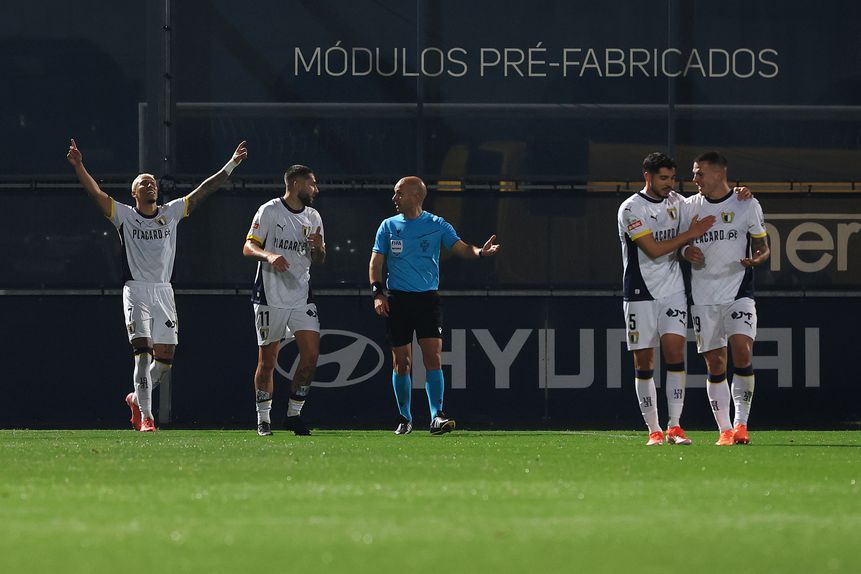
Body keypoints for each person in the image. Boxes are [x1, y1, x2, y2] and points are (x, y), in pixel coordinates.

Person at [67, 138, 248, 432]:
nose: (150, 185)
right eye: (144, 183)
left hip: (164, 291)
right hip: (136, 289)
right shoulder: (124, 215)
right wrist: (79, 165)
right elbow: (96, 193)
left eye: (152, 182)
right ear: (134, 192)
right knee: (143, 351)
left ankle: (137, 398)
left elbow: (203, 191)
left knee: (164, 361)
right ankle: (147, 418)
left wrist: (232, 163)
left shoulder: (170, 212)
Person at [369, 176, 500, 435]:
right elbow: (375, 263)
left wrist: (480, 253)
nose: (394, 198)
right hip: (397, 300)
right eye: (395, 194)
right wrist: (377, 293)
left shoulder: (437, 224)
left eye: (399, 194)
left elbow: (461, 248)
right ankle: (404, 418)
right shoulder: (387, 226)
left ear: (416, 196)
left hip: (427, 300)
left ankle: (436, 416)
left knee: (433, 357)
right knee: (402, 362)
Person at [618, 152, 718, 446]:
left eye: (673, 178)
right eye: (664, 178)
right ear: (647, 176)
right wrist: (691, 234)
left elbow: (682, 240)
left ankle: (675, 426)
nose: (669, 183)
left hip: (673, 289)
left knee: (676, 355)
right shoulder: (630, 209)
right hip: (640, 291)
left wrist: (688, 250)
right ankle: (654, 430)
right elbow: (653, 249)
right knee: (645, 363)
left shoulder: (677, 202)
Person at [680, 151, 769, 446]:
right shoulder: (688, 206)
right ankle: (725, 430)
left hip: (738, 292)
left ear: (719, 174)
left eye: (699, 173)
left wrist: (758, 258)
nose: (695, 179)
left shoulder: (746, 204)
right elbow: (677, 243)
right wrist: (684, 251)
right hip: (703, 296)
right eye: (694, 173)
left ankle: (742, 425)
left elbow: (763, 246)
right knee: (715, 364)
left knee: (742, 351)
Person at [243, 165, 325, 437]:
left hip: (301, 295)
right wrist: (269, 256)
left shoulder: (313, 216)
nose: (315, 189)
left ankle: (293, 414)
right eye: (312, 184)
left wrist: (318, 248)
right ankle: (263, 418)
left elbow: (320, 258)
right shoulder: (270, 210)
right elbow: (248, 246)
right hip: (270, 295)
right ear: (296, 183)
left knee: (311, 355)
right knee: (267, 362)